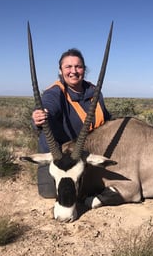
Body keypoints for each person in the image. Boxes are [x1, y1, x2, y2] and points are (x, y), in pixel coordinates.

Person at [32, 48, 111, 198]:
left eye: (78, 66)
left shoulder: (95, 92)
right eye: (68, 67)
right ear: (60, 70)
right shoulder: (54, 93)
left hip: (87, 152)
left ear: (84, 69)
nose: (73, 71)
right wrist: (39, 116)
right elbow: (47, 106)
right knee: (51, 194)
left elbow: (107, 119)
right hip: (60, 156)